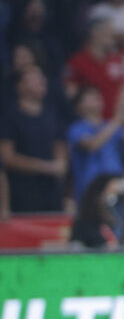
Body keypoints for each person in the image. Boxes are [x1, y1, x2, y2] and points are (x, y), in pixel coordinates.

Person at [0, 64, 67, 214]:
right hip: (22, 189)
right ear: (20, 86)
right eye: (34, 78)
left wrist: (60, 164)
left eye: (41, 76)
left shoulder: (52, 113)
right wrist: (46, 167)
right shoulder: (9, 116)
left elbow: (60, 144)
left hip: (52, 189)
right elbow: (7, 157)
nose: (41, 80)